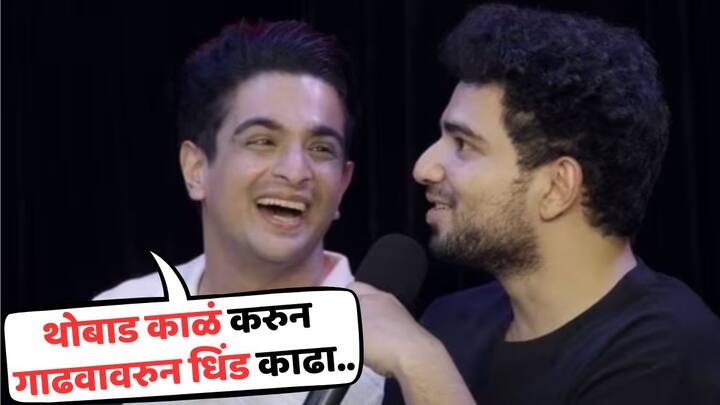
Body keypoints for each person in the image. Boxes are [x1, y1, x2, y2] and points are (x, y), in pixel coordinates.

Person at [351, 4, 720, 404]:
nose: (424, 168)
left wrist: (421, 365)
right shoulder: (449, 323)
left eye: (463, 144)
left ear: (557, 187)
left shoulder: (671, 352)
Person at [95, 20, 384, 404]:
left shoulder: (385, 364)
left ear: (343, 184)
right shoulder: (118, 322)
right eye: (262, 141)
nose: (296, 172)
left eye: (321, 149)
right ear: (196, 170)